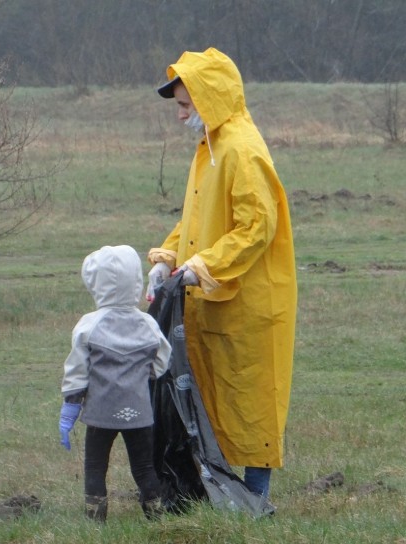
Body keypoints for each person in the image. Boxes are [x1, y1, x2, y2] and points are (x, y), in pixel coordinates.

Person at [147, 48, 297, 498]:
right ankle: (220, 495)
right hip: (215, 303)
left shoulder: (241, 151)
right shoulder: (210, 148)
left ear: (209, 98)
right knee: (216, 404)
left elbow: (255, 227)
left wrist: (202, 267)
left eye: (185, 105)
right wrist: (166, 258)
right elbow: (196, 221)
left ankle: (254, 500)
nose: (180, 117)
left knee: (249, 404)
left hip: (248, 307)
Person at [59, 245, 172, 521]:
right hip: (139, 411)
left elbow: (77, 368)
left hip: (100, 412)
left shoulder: (89, 325)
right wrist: (143, 377)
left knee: (96, 467)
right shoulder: (146, 323)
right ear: (134, 281)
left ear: (96, 283)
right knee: (144, 467)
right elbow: (162, 360)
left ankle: (95, 521)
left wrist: (71, 405)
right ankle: (156, 518)